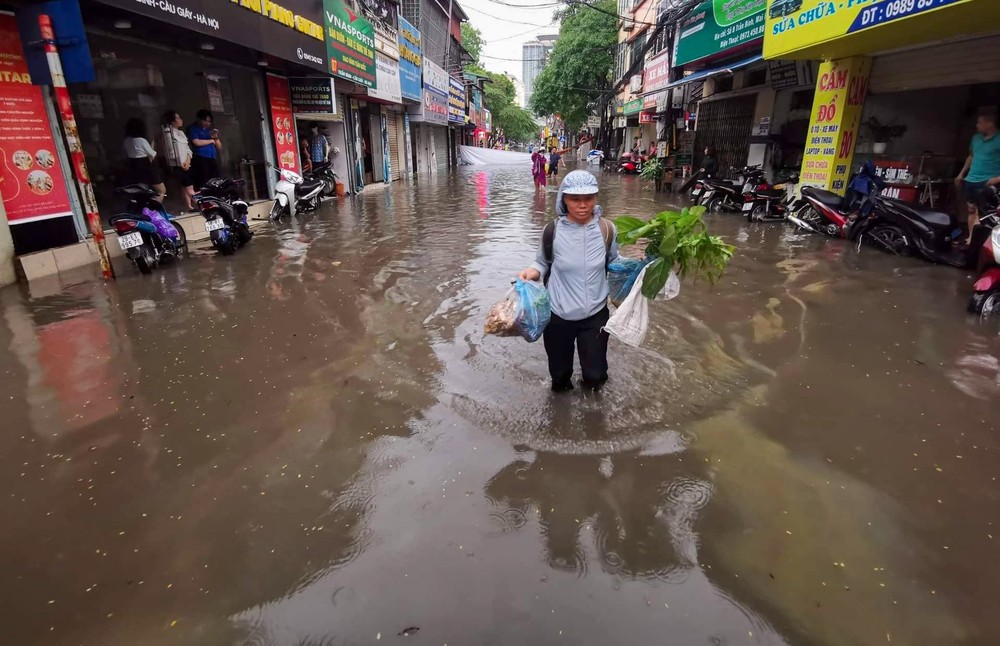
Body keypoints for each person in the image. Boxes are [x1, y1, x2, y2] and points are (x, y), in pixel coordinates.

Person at [517, 170, 619, 393]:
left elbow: (614, 262)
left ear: (595, 198)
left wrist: (640, 267)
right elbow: (542, 263)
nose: (582, 205)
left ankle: (592, 413)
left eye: (588, 198)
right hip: (558, 316)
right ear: (563, 199)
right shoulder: (551, 231)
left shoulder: (607, 230)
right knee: (560, 378)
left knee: (596, 376)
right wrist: (531, 272)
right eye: (575, 199)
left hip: (595, 314)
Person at [955, 107, 1000, 243]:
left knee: (986, 213)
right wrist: (961, 173)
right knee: (971, 209)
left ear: (989, 123)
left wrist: (997, 179)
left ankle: (986, 242)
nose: (977, 126)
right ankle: (971, 239)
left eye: (979, 123)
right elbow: (972, 156)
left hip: (989, 182)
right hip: (972, 180)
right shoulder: (976, 138)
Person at [123, 117, 166, 200]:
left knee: (142, 191)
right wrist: (153, 142)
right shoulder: (141, 140)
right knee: (161, 190)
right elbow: (152, 155)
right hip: (146, 167)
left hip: (134, 167)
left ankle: (144, 208)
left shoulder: (127, 141)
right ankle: (152, 210)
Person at [161, 110, 194, 212]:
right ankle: (198, 203)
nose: (180, 120)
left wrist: (188, 160)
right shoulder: (168, 133)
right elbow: (171, 151)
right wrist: (180, 163)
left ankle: (190, 206)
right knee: (187, 186)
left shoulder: (181, 133)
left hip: (186, 163)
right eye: (178, 118)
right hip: (177, 164)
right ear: (172, 121)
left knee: (187, 186)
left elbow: (188, 148)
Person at [187, 109, 222, 189]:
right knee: (204, 181)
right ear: (199, 119)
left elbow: (219, 147)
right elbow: (196, 142)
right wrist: (211, 140)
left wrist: (215, 138)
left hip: (211, 157)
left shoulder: (208, 130)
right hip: (201, 158)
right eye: (205, 121)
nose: (207, 123)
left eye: (209, 122)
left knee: (215, 180)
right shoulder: (193, 129)